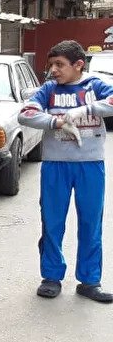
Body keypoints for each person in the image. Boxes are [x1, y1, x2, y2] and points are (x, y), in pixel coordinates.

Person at [18, 40, 113, 303]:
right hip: (55, 166)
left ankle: (90, 281)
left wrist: (89, 108)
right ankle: (51, 277)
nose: (54, 71)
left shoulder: (95, 86)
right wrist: (57, 121)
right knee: (52, 221)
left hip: (91, 165)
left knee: (91, 222)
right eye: (51, 65)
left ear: (78, 65)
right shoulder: (48, 89)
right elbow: (25, 115)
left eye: (60, 65)